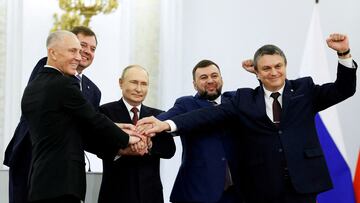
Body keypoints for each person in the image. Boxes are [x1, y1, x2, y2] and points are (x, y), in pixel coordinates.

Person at [137, 33, 357, 203]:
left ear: (285, 67)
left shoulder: (304, 90)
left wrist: (344, 53)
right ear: (257, 73)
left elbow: (343, 89)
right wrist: (166, 123)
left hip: (302, 184)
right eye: (266, 69)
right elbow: (208, 114)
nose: (274, 72)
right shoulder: (245, 100)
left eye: (278, 66)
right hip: (261, 189)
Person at [21, 30, 140, 203]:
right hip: (63, 182)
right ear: (52, 52)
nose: (79, 57)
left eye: (82, 50)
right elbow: (92, 119)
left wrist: (118, 127)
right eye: (73, 51)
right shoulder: (63, 84)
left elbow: (70, 124)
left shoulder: (33, 87)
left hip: (40, 181)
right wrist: (129, 139)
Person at [3, 26, 100, 203]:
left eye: (92, 49)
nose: (86, 52)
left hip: (65, 170)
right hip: (30, 157)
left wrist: (121, 141)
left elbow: (89, 128)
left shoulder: (93, 91)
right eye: (81, 46)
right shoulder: (46, 68)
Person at [155, 60, 241, 203]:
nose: (210, 81)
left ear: (222, 79)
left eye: (214, 76)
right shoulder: (186, 104)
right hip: (196, 192)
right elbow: (161, 122)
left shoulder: (235, 100)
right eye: (203, 77)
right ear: (194, 84)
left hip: (236, 194)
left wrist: (258, 71)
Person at [97, 65, 176, 203]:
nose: (139, 89)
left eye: (144, 84)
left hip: (150, 194)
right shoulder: (104, 112)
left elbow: (169, 150)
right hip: (115, 193)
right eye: (134, 82)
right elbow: (98, 147)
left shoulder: (158, 116)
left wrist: (149, 144)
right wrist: (124, 148)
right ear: (121, 83)